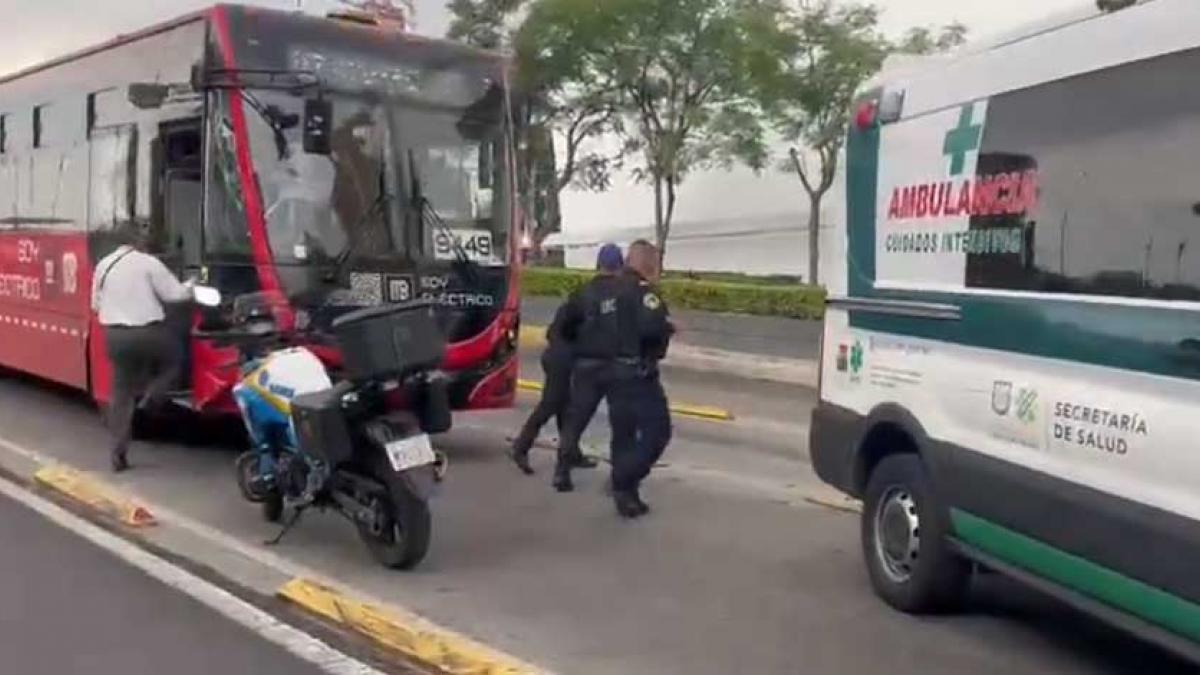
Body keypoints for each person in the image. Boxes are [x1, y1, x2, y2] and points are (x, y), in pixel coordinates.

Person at [507, 244, 624, 475]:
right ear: (619, 267)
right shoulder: (610, 294)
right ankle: (521, 446)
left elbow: (560, 326)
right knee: (552, 403)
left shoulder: (585, 291)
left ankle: (570, 453)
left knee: (565, 406)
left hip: (560, 351)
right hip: (565, 355)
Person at [91, 228, 195, 472]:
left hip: (115, 336)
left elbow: (96, 305)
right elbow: (174, 294)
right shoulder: (149, 263)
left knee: (121, 393)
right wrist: (191, 285)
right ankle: (152, 399)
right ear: (139, 243)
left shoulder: (103, 265)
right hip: (148, 333)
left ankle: (118, 453)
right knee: (174, 359)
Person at [606, 240, 674, 518]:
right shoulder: (645, 293)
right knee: (658, 433)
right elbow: (651, 328)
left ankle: (626, 496)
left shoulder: (607, 290)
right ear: (648, 264)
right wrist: (667, 328)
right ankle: (623, 480)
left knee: (623, 436)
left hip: (610, 372)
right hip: (639, 375)